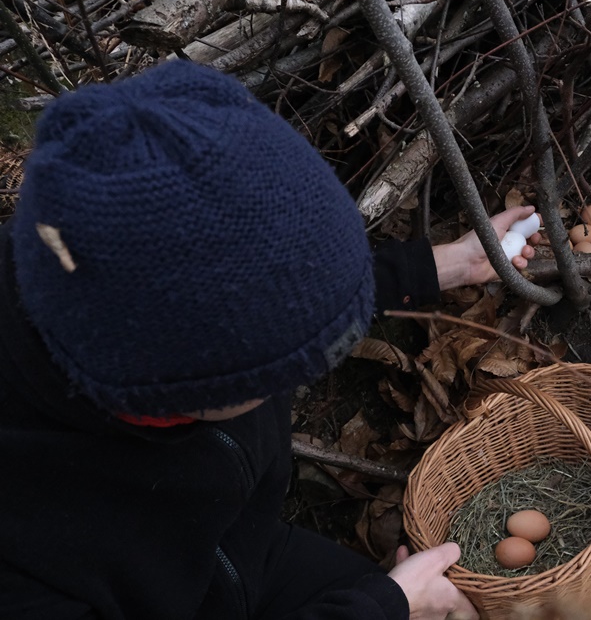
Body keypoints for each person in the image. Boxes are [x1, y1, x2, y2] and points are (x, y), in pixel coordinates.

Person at [0, 60, 539, 619]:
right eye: (278, 374)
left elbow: (273, 290)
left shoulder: (97, 276)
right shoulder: (26, 564)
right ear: (169, 386)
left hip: (244, 554)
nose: (299, 377)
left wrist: (438, 266)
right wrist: (378, 609)